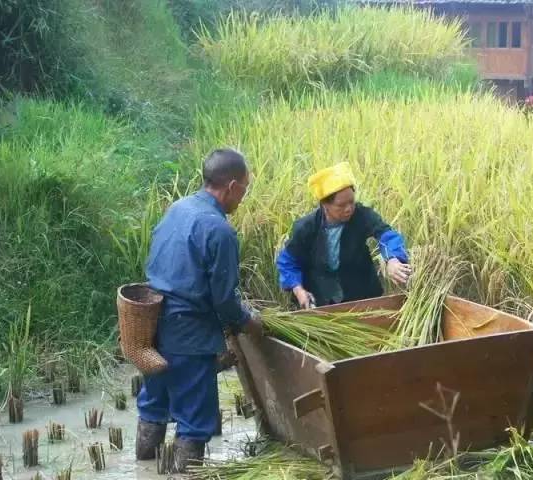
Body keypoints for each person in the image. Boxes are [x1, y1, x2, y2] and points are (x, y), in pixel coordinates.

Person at [136, 148, 262, 472]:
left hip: (152, 324)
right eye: (244, 189)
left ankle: (143, 467)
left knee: (154, 404)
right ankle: (185, 474)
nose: (242, 198)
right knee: (195, 419)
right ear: (232, 186)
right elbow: (224, 299)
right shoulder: (219, 231)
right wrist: (249, 323)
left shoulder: (177, 209)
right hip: (189, 332)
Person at [276, 162, 411, 308]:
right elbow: (288, 261)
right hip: (322, 301)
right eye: (341, 205)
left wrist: (393, 259)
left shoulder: (361, 216)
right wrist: (299, 290)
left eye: (351, 202)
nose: (349, 209)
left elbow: (386, 234)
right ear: (325, 205)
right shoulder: (306, 227)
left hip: (363, 296)